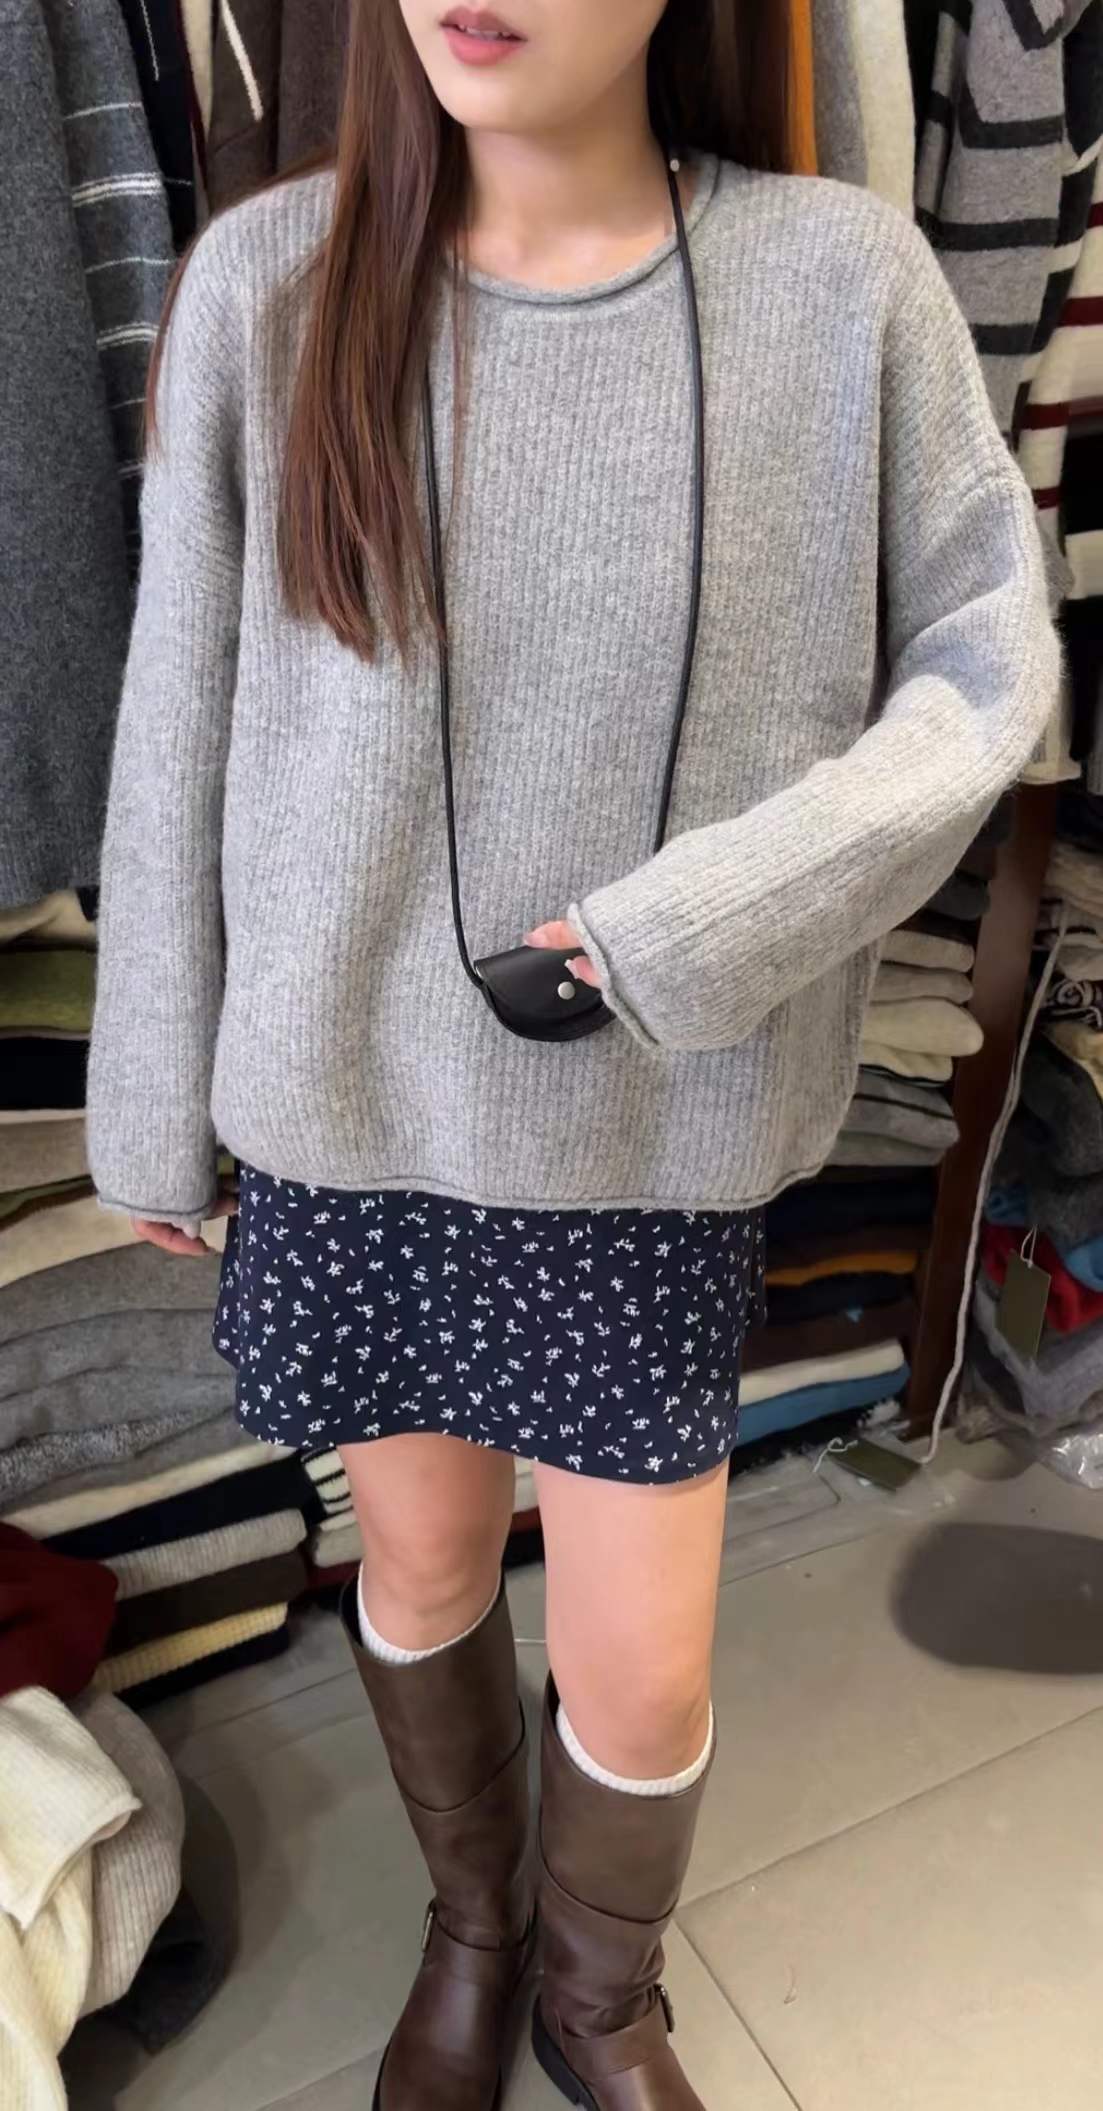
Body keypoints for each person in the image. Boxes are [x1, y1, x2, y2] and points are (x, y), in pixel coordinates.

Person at [85, 2, 1059, 2105]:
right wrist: (153, 1085)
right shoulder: (269, 283)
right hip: (353, 1119)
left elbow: (990, 673)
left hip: (643, 1135)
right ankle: (479, 1926)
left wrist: (692, 927)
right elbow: (179, 719)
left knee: (641, 1662)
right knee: (422, 1560)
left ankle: (599, 1996)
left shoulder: (835, 281)